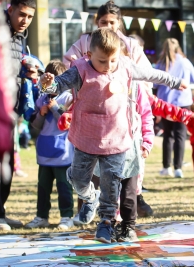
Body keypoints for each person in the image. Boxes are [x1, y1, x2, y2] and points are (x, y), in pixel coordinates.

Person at [40, 27, 187, 243]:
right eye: (102, 61)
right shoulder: (80, 70)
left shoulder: (125, 66)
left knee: (111, 184)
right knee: (79, 180)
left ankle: (106, 223)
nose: (108, 66)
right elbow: (58, 85)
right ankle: (90, 198)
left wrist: (174, 82)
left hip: (117, 138)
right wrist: (47, 83)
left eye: (113, 60)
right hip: (86, 137)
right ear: (88, 56)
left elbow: (151, 74)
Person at [63, 1, 155, 220]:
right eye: (103, 22)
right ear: (97, 22)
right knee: (86, 166)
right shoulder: (85, 41)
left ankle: (120, 212)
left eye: (112, 22)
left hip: (122, 115)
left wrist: (141, 93)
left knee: (120, 169)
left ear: (119, 23)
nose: (107, 25)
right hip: (90, 115)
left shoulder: (130, 45)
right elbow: (71, 70)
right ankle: (86, 205)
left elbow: (146, 74)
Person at [0, 0, 38, 230]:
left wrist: (27, 70)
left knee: (7, 162)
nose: (25, 21)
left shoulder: (18, 35)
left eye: (30, 17)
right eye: (22, 14)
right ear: (10, 9)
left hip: (9, 107)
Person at [25, 60, 75, 230]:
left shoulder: (68, 98)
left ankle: (66, 216)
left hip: (63, 154)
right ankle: (41, 216)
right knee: (43, 188)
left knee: (64, 187)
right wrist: (41, 113)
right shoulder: (42, 99)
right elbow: (36, 125)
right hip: (44, 152)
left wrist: (55, 108)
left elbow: (68, 122)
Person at [155, 38, 194, 179]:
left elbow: (154, 85)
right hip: (183, 101)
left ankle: (166, 166)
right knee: (180, 135)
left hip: (165, 104)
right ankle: (178, 167)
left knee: (167, 135)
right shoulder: (185, 62)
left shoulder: (160, 63)